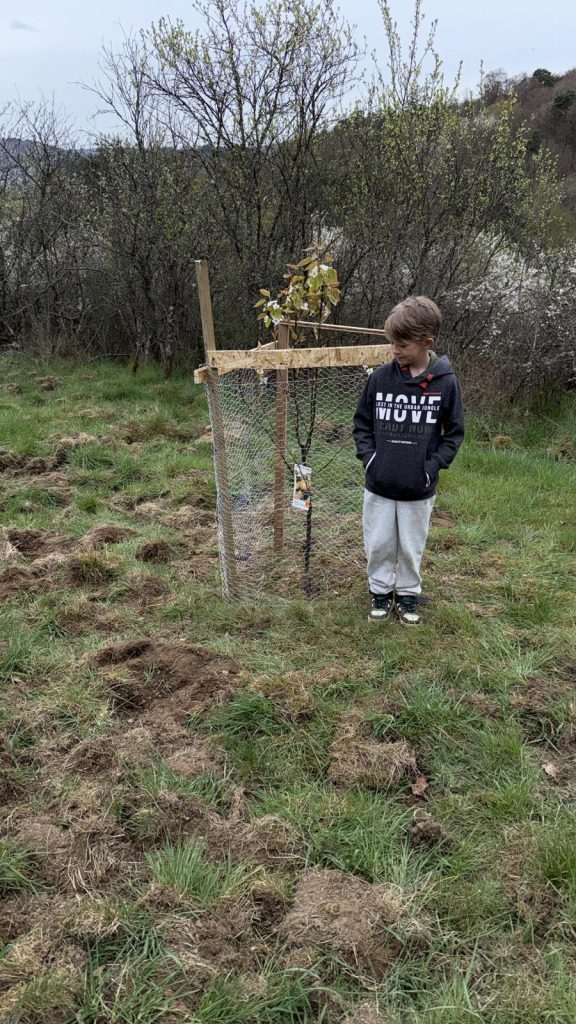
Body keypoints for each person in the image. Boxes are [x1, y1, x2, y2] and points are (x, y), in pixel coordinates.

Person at [353, 296, 464, 625]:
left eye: (401, 344)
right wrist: (371, 461)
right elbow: (362, 424)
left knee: (410, 546)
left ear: (426, 342)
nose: (395, 351)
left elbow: (453, 434)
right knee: (379, 543)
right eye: (392, 343)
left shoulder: (446, 383)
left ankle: (407, 595)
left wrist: (430, 468)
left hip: (419, 488)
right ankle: (380, 591)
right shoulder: (380, 379)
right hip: (379, 485)